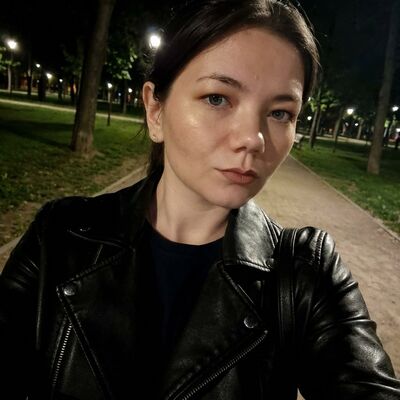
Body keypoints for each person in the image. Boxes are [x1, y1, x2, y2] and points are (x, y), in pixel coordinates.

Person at [1, 0, 400, 399]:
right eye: (217, 98)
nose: (253, 138)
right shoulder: (60, 237)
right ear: (155, 110)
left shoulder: (305, 272)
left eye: (280, 113)